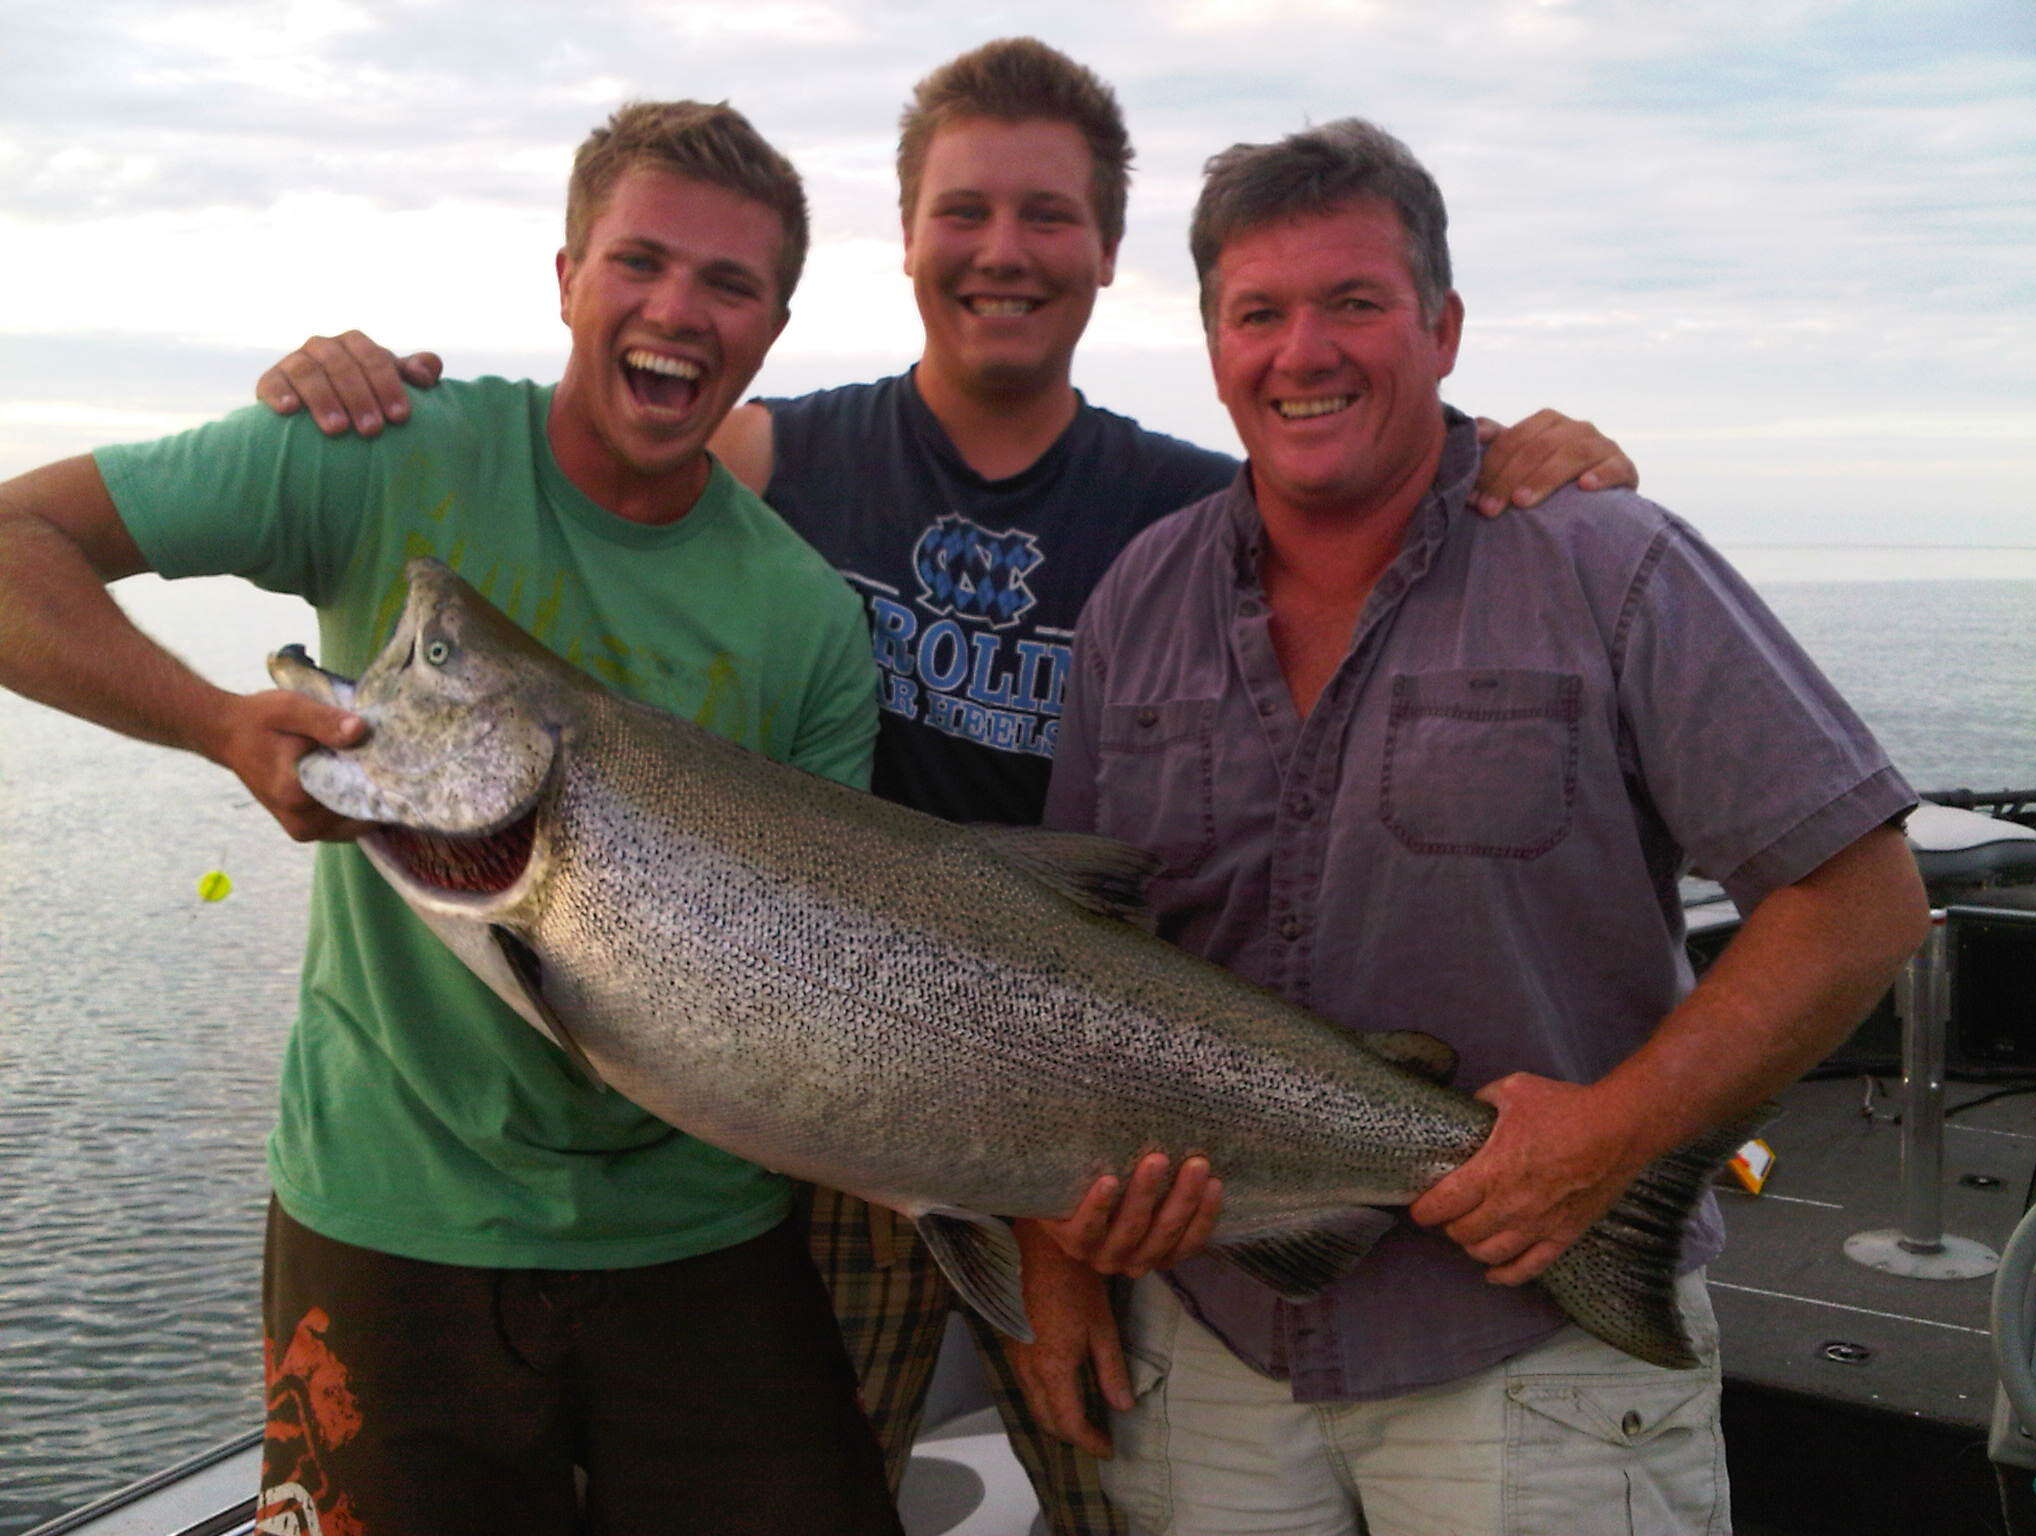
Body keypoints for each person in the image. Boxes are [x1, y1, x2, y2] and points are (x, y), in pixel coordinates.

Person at [250, 39, 1648, 1536]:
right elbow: (598, 455)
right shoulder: (772, 455)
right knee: (798, 1492)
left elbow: (1362, 457)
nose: (1003, 251)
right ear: (906, 238)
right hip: (809, 1068)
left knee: (1123, 1498)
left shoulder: (1192, 504)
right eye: (963, 211)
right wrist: (342, 391)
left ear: (1107, 251)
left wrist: (1528, 451)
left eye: (1047, 214)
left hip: (1100, 1081)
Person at [0, 101, 908, 1536]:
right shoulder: (380, 448)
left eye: (729, 284)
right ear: (566, 277)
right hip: (388, 1223)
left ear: (774, 325)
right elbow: (14, 546)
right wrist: (222, 725)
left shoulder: (806, 622)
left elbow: (830, 975)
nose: (677, 310)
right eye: (640, 262)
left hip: (701, 1240)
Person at [1028, 117, 1930, 1535]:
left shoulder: (1607, 561)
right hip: (1206, 1358)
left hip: (1537, 1362)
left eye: (1355, 303)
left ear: (1443, 329)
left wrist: (1614, 1137)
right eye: (1259, 312)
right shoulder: (1137, 600)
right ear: (1213, 344)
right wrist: (1061, 1256)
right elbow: (1064, 965)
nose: (1303, 351)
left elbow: (1863, 899)